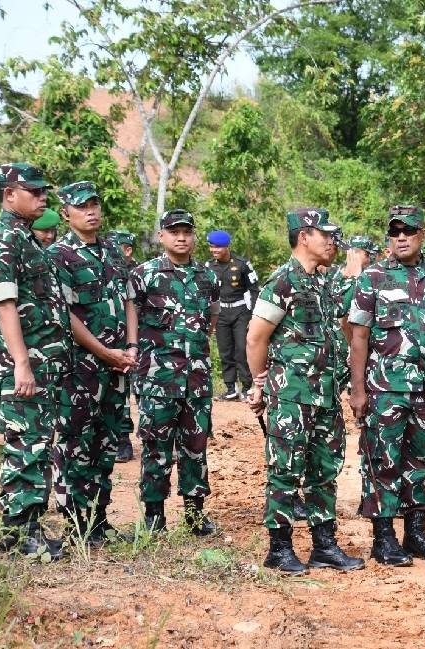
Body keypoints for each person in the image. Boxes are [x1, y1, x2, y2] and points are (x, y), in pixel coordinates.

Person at [245, 208, 365, 576]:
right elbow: (255, 338)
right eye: (324, 234)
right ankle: (279, 549)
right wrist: (261, 382)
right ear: (303, 237)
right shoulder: (281, 282)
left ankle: (324, 545)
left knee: (324, 470)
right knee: (285, 470)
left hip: (326, 394)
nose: (331, 241)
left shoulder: (322, 282)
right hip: (293, 396)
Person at [348, 205, 425, 566]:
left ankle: (415, 533)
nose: (401, 237)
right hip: (385, 388)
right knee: (382, 460)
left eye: (408, 231)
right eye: (395, 232)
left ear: (422, 235)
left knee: (420, 461)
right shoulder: (374, 277)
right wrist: (358, 389)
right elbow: (358, 335)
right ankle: (383, 538)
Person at [0, 163, 73, 559]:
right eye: (32, 191)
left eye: (43, 189)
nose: (42, 196)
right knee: (25, 447)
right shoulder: (1, 241)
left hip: (38, 362)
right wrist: (21, 363)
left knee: (35, 445)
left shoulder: (26, 240)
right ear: (8, 194)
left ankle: (26, 528)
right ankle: (18, 538)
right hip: (20, 362)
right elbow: (4, 305)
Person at [49, 182, 138, 545]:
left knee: (106, 442)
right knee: (76, 443)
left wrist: (130, 346)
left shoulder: (115, 251)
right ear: (66, 213)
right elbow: (66, 315)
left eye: (94, 204)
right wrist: (104, 352)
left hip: (117, 367)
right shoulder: (58, 256)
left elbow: (130, 299)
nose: (91, 211)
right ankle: (76, 525)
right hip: (79, 368)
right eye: (81, 206)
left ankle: (99, 520)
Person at [131, 209, 219, 535]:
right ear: (161, 236)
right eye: (173, 231)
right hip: (158, 379)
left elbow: (210, 319)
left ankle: (195, 516)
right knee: (156, 448)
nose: (181, 237)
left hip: (196, 379)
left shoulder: (207, 277)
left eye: (186, 231)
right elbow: (132, 321)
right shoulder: (145, 275)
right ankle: (154, 518)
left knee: (195, 448)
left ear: (194, 235)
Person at [206, 230, 259, 400]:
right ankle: (230, 388)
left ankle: (246, 387)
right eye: (211, 247)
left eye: (218, 247)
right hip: (220, 313)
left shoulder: (242, 264)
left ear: (227, 247)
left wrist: (253, 315)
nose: (214, 250)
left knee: (242, 350)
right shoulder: (208, 267)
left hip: (241, 312)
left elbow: (254, 290)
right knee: (225, 351)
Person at [107, 230, 140, 463]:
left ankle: (123, 439)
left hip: (133, 340)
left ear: (126, 249)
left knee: (125, 390)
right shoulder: (103, 267)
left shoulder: (138, 273)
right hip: (106, 338)